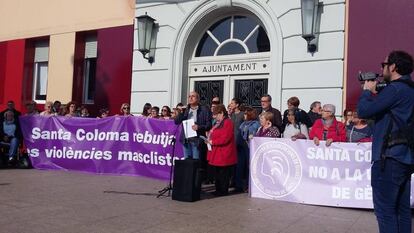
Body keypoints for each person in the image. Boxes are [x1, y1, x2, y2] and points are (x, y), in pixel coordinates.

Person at [357, 50, 414, 233]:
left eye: (384, 65)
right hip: (405, 158)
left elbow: (364, 111)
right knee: (402, 211)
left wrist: (367, 92)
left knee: (385, 212)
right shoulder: (410, 89)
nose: (382, 69)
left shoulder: (395, 89)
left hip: (388, 159)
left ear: (393, 67)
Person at [204, 104, 237, 196]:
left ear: (222, 113)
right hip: (217, 152)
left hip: (224, 153)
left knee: (223, 173)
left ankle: (223, 191)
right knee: (218, 172)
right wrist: (208, 140)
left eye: (216, 114)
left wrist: (212, 141)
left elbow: (226, 138)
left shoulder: (228, 122)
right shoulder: (217, 123)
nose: (214, 117)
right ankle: (218, 189)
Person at [175, 91, 212, 160]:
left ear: (198, 99)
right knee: (187, 163)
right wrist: (181, 113)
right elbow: (176, 122)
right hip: (185, 140)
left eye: (193, 96)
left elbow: (209, 125)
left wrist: (199, 127)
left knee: (196, 162)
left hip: (196, 140)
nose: (190, 98)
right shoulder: (185, 110)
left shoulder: (204, 109)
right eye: (189, 96)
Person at [237, 106, 260, 192]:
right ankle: (239, 185)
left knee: (248, 166)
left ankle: (248, 186)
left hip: (250, 147)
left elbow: (256, 133)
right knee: (240, 166)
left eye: (246, 114)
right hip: (242, 147)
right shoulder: (243, 124)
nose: (244, 115)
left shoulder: (256, 124)